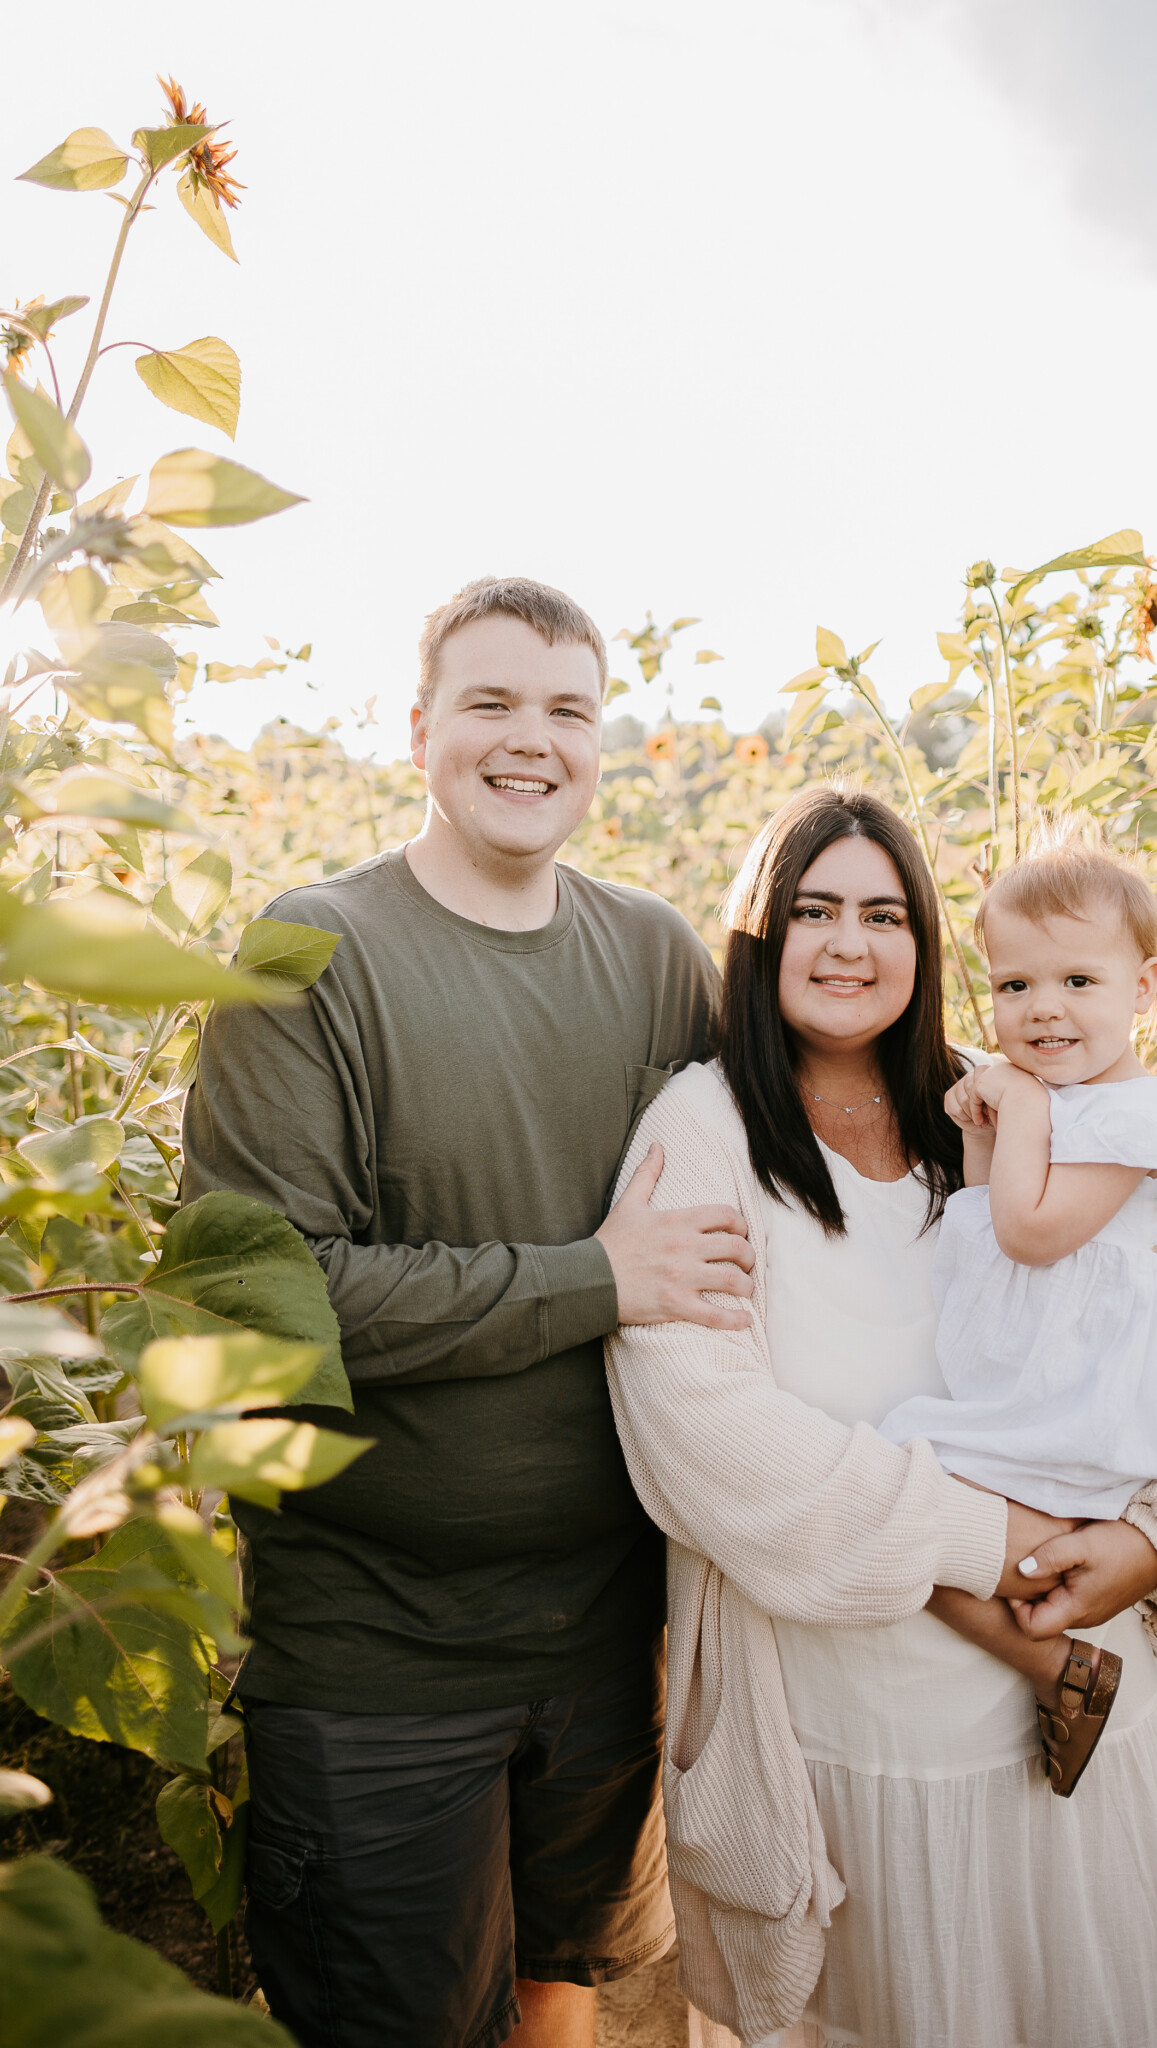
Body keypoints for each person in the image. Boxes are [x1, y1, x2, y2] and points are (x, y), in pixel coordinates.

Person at [180, 575, 758, 2048]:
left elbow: (773, 1180)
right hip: (382, 1660)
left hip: (605, 1641)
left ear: (602, 741)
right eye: (491, 702)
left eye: (567, 710)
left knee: (565, 1999)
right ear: (418, 725)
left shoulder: (650, 957)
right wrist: (595, 1276)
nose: (530, 741)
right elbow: (271, 1298)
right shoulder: (311, 956)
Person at [605, 784, 1157, 2047]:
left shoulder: (994, 1106)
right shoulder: (706, 1129)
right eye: (814, 909)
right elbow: (704, 1436)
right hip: (863, 1746)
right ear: (758, 933)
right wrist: (987, 1539)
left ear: (927, 942)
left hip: (1081, 1718)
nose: (850, 942)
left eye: (885, 912)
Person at [878, 829, 1157, 1795]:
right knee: (1075, 1517)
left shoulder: (1126, 1116)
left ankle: (1064, 1670)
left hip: (1103, 1377)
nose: (1043, 1009)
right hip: (1063, 1362)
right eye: (1014, 987)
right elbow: (980, 1215)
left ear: (1143, 989)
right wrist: (991, 1125)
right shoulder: (1066, 1097)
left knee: (906, 1509)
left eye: (1077, 983)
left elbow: (1032, 1232)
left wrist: (1019, 1103)